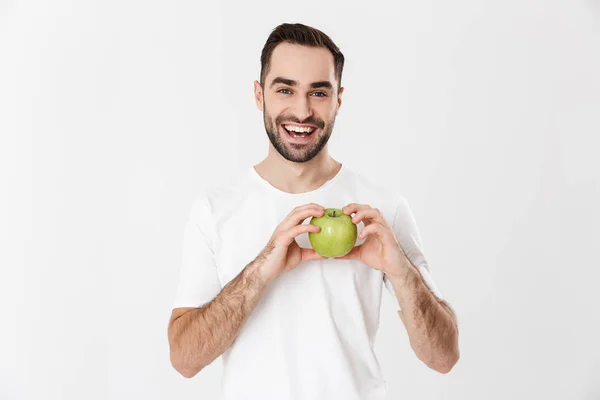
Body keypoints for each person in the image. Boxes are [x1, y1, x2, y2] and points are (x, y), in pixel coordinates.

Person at [167, 22, 459, 400]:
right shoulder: (215, 209)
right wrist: (261, 270)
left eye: (318, 93)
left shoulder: (382, 210)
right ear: (259, 95)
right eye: (285, 89)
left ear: (338, 99)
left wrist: (401, 271)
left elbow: (443, 357)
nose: (302, 111)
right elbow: (184, 359)